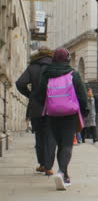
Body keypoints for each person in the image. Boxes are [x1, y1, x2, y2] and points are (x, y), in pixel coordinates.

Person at [35, 48, 87, 190]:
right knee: (67, 145)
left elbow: (39, 95)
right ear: (67, 59)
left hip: (52, 115)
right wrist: (85, 111)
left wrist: (48, 105)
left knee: (59, 144)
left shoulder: (47, 74)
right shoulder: (73, 74)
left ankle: (64, 174)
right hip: (69, 115)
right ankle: (62, 172)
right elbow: (82, 96)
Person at [15, 46, 56, 176]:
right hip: (53, 106)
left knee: (39, 135)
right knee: (51, 136)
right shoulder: (55, 66)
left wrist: (30, 94)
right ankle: (49, 167)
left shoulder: (32, 67)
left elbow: (20, 83)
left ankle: (42, 164)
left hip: (36, 106)